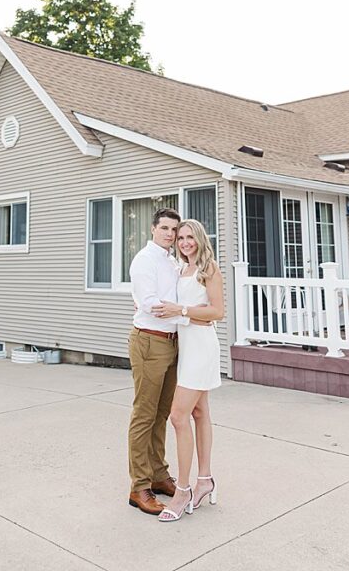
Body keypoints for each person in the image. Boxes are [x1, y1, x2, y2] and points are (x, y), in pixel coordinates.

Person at [152, 219, 223, 522]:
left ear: (200, 238)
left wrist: (181, 311)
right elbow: (192, 313)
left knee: (178, 416)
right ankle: (204, 480)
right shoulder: (181, 270)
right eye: (180, 237)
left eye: (189, 236)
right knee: (199, 413)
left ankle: (183, 490)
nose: (183, 242)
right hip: (187, 348)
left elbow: (217, 312)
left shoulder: (210, 268)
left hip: (202, 349)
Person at [127, 207, 183, 515]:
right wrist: (182, 309)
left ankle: (159, 475)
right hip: (149, 341)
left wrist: (179, 309)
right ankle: (139, 486)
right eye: (164, 228)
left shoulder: (171, 261)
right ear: (153, 229)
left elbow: (170, 304)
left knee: (162, 414)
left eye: (174, 230)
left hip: (172, 344)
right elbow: (150, 305)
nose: (170, 234)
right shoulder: (144, 260)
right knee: (144, 415)